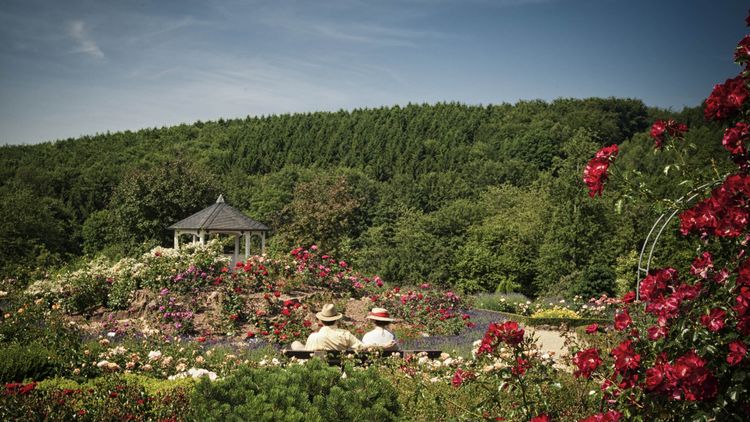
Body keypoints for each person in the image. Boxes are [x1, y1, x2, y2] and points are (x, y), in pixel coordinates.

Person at [290, 303, 365, 351]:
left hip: (317, 369)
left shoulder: (313, 337)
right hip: (339, 367)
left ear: (321, 321)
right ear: (336, 320)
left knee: (295, 344)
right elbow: (361, 347)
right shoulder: (345, 334)